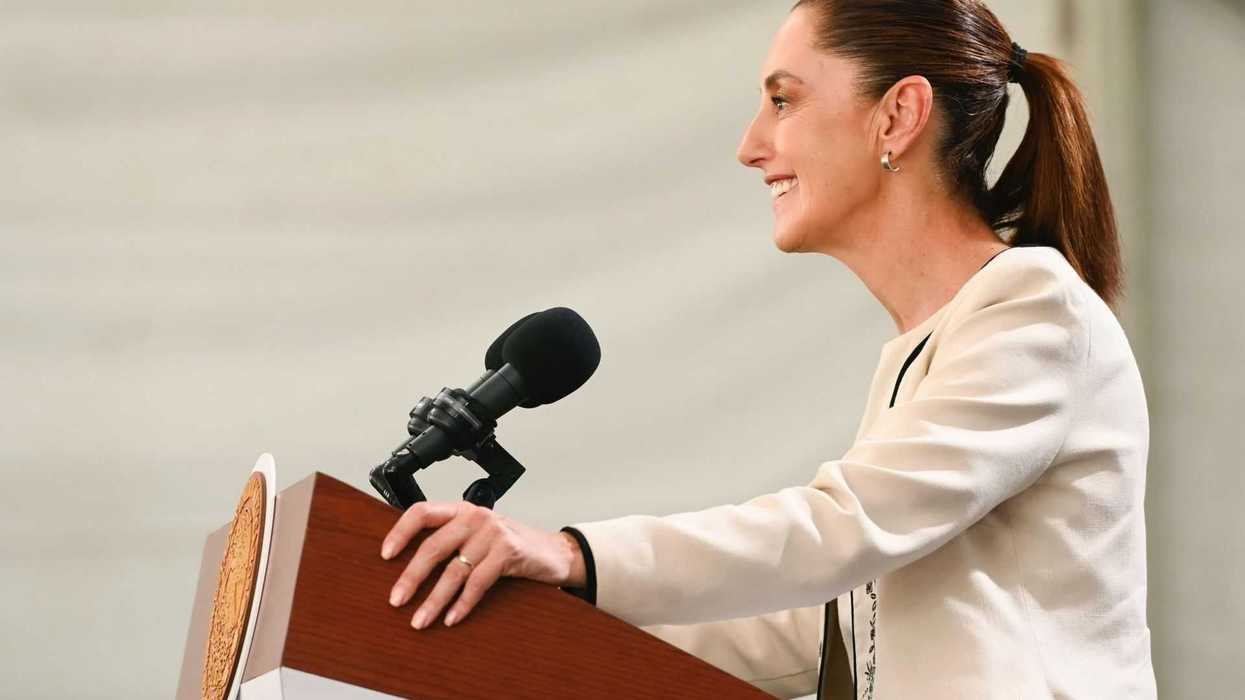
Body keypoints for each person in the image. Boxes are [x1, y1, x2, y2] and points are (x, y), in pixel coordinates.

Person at [378, 1, 1157, 697]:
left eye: (782, 100)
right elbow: (832, 635)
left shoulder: (1032, 311)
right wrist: (538, 622)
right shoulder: (928, 346)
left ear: (897, 116)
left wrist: (570, 554)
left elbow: (841, 530)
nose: (751, 146)